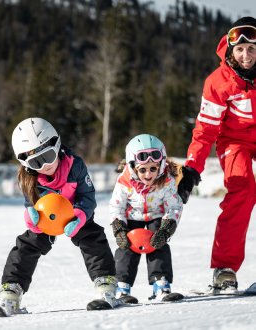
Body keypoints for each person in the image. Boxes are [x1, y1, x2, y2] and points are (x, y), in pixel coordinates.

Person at [0, 117, 116, 314]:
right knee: (27, 244)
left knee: (92, 237)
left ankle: (106, 284)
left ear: (57, 145)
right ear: (26, 164)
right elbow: (30, 203)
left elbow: (88, 196)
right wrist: (32, 216)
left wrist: (79, 216)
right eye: (36, 162)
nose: (44, 165)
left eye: (48, 156)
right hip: (47, 218)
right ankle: (11, 289)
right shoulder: (28, 177)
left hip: (74, 214)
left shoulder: (74, 165)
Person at [178, 17, 256, 292]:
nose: (246, 55)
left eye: (252, 49)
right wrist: (191, 168)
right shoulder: (218, 82)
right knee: (242, 188)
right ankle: (224, 267)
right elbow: (205, 130)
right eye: (240, 49)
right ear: (231, 50)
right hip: (235, 142)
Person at [109, 134, 183, 301]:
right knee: (127, 246)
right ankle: (121, 287)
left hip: (156, 216)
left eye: (153, 169)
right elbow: (116, 206)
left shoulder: (167, 181)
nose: (148, 175)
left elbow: (174, 206)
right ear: (134, 167)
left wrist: (167, 227)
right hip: (132, 217)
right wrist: (119, 227)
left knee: (158, 243)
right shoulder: (124, 182)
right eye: (142, 170)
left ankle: (160, 283)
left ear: (161, 165)